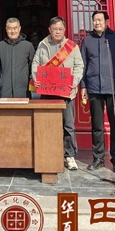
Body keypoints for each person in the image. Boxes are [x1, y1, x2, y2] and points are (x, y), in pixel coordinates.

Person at [80, 10, 115, 173]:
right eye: (95, 20)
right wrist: (83, 86)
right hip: (94, 87)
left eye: (100, 20)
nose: (97, 22)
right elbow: (83, 65)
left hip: (114, 87)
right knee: (97, 126)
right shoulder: (87, 40)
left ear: (107, 22)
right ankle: (98, 158)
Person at [31, 16, 84, 171]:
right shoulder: (42, 45)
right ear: (50, 30)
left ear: (64, 30)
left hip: (66, 92)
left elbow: (79, 66)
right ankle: (48, 152)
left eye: (60, 29)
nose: (58, 31)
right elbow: (35, 63)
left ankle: (70, 155)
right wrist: (36, 77)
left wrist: (75, 81)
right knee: (47, 124)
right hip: (47, 92)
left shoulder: (72, 47)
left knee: (68, 125)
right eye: (55, 29)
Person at [0, 17, 35, 99]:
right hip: (4, 89)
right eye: (10, 28)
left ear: (19, 28)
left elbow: (33, 66)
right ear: (6, 29)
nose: (13, 31)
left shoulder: (28, 46)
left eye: (15, 28)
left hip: (23, 90)